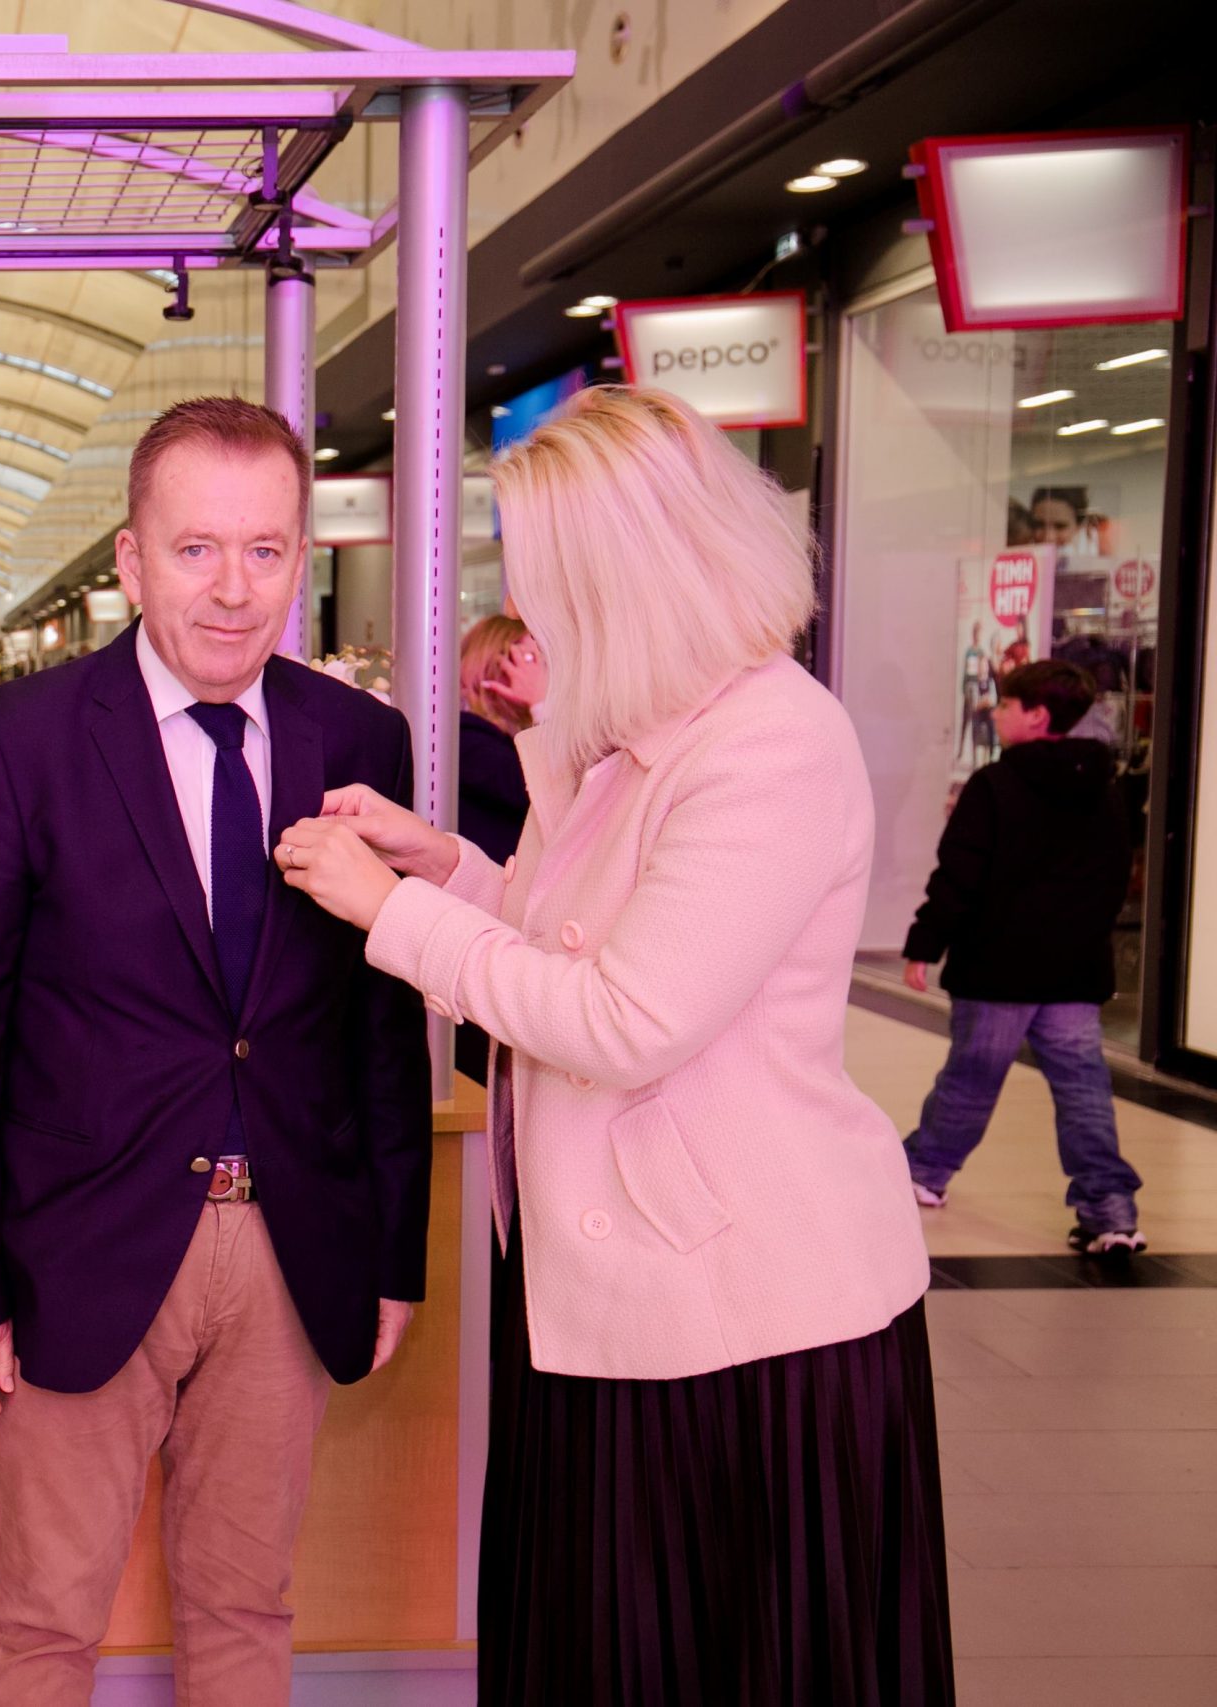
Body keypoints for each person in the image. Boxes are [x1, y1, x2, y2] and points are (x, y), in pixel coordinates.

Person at [272, 386, 952, 1705]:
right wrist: (444, 865)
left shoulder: (767, 744)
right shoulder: (633, 730)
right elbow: (565, 939)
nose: (526, 609)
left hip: (740, 1316)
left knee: (718, 1651)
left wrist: (391, 913)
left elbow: (627, 1015)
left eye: (541, 574)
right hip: (611, 1287)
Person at [0, 397, 432, 1706]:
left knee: (246, 1604)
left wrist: (394, 1252)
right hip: (77, 1246)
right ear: (133, 561)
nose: (233, 589)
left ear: (300, 560)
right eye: (196, 550)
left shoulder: (359, 740)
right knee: (45, 1617)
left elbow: (382, 1027)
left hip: (292, 1246)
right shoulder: (16, 742)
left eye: (264, 550)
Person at [901, 659, 1143, 1253]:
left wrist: (925, 944)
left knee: (971, 1079)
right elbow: (1115, 877)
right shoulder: (1105, 788)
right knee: (1083, 1090)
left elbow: (959, 875)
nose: (997, 713)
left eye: (1007, 705)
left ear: (1037, 716)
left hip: (997, 969)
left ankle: (924, 1172)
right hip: (1074, 972)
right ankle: (1110, 1212)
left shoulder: (995, 785)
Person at [451, 615, 541, 1085]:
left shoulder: (489, 745)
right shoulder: (471, 743)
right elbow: (553, 792)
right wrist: (545, 705)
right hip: (485, 947)